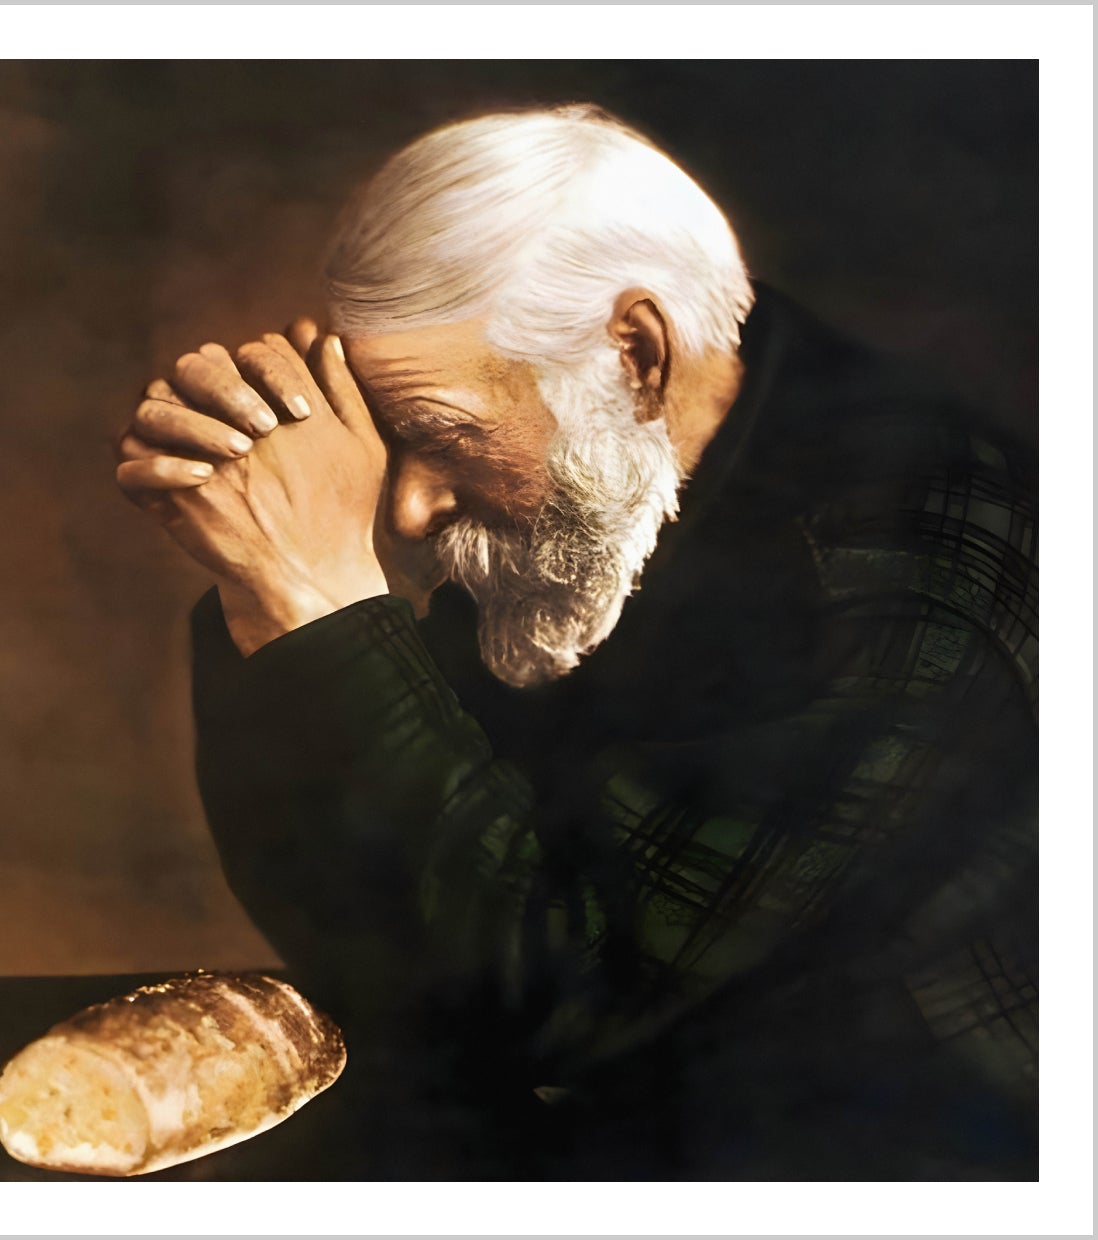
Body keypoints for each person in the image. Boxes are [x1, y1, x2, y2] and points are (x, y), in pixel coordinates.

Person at [114, 106, 1036, 1179]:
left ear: (635, 352)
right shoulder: (589, 471)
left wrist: (316, 597)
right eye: (389, 436)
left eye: (442, 433)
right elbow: (370, 943)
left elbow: (567, 995)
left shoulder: (913, 561)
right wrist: (260, 591)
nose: (407, 507)